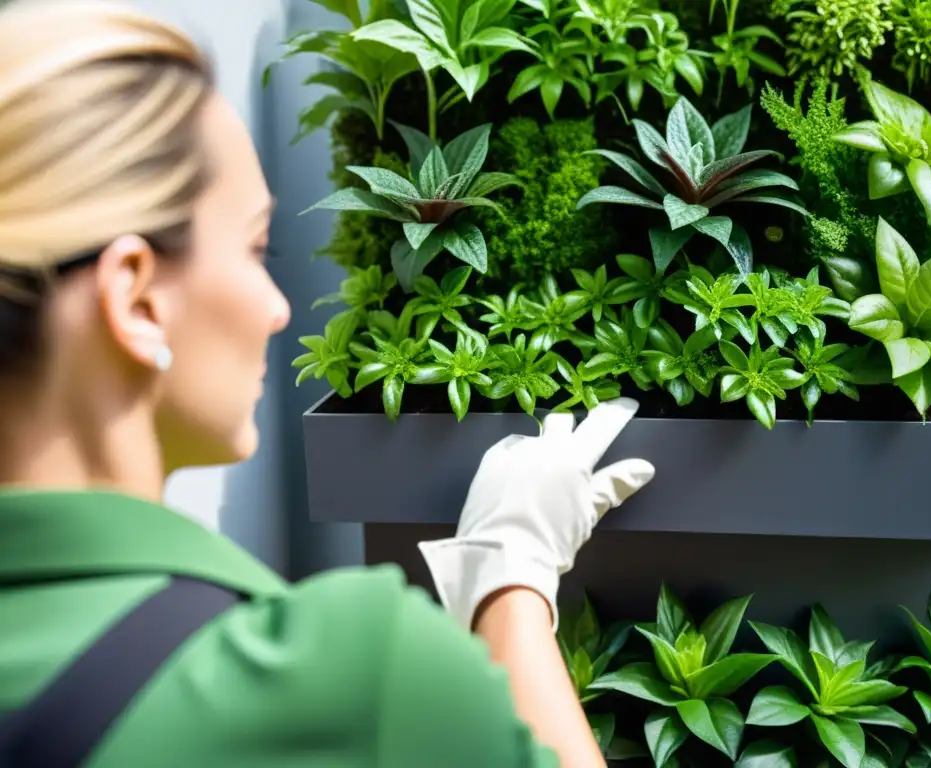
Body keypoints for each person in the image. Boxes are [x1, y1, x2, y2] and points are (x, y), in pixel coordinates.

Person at [0, 2, 656, 767]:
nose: (279, 309)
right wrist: (509, 581)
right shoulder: (344, 678)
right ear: (137, 300)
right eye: (257, 248)